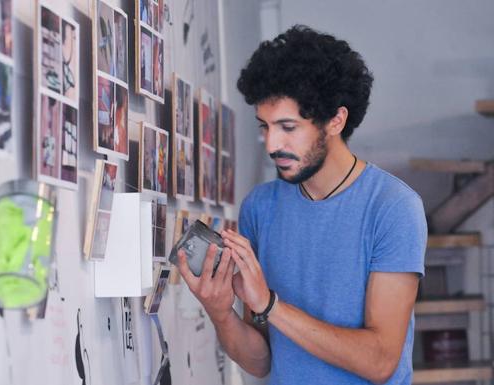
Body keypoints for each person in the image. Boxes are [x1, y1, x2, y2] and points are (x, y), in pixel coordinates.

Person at [176, 25, 427, 385]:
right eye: (265, 126)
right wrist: (220, 313)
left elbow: (380, 361)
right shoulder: (260, 208)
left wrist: (270, 305)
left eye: (288, 127)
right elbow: (260, 361)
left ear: (335, 121)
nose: (271, 143)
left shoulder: (393, 207)